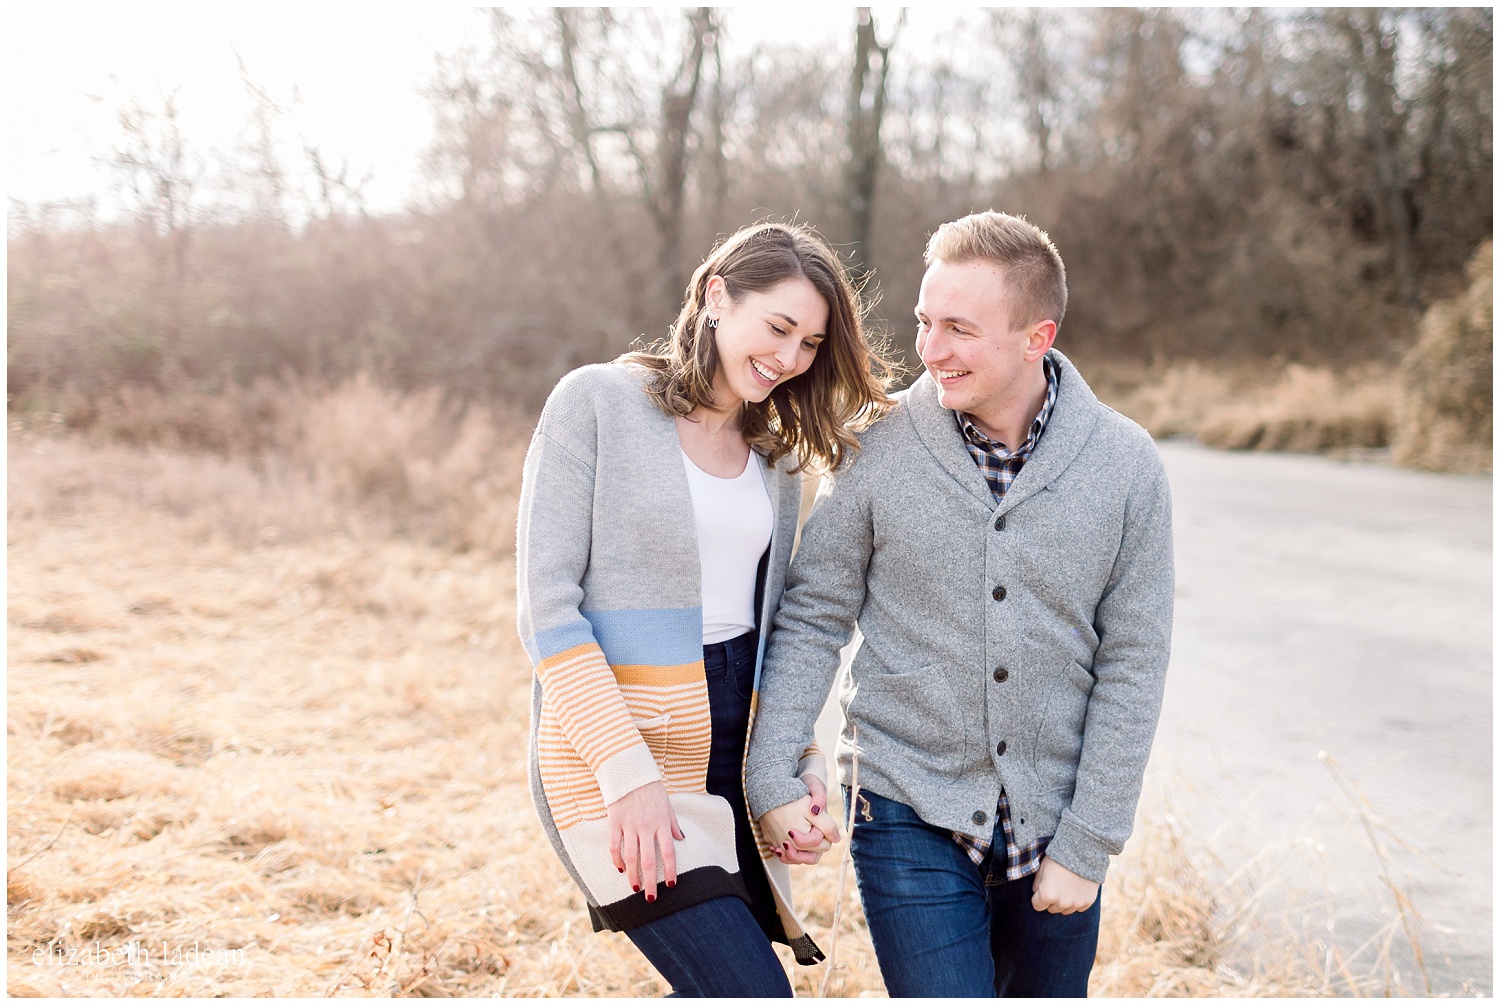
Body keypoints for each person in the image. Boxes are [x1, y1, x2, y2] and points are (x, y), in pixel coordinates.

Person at [745, 211, 1175, 997]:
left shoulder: (1126, 463)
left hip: (1057, 817)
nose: (929, 350)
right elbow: (813, 615)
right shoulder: (876, 444)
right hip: (904, 802)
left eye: (959, 329)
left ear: (1034, 338)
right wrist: (771, 769)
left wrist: (1091, 838)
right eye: (923, 321)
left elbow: (1135, 658)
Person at [515, 222, 896, 997]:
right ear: (717, 295)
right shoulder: (597, 402)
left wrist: (793, 763)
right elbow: (547, 610)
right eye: (779, 327)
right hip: (616, 747)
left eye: (811, 343)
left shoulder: (778, 452)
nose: (789, 358)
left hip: (731, 737)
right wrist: (628, 776)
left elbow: (775, 623)